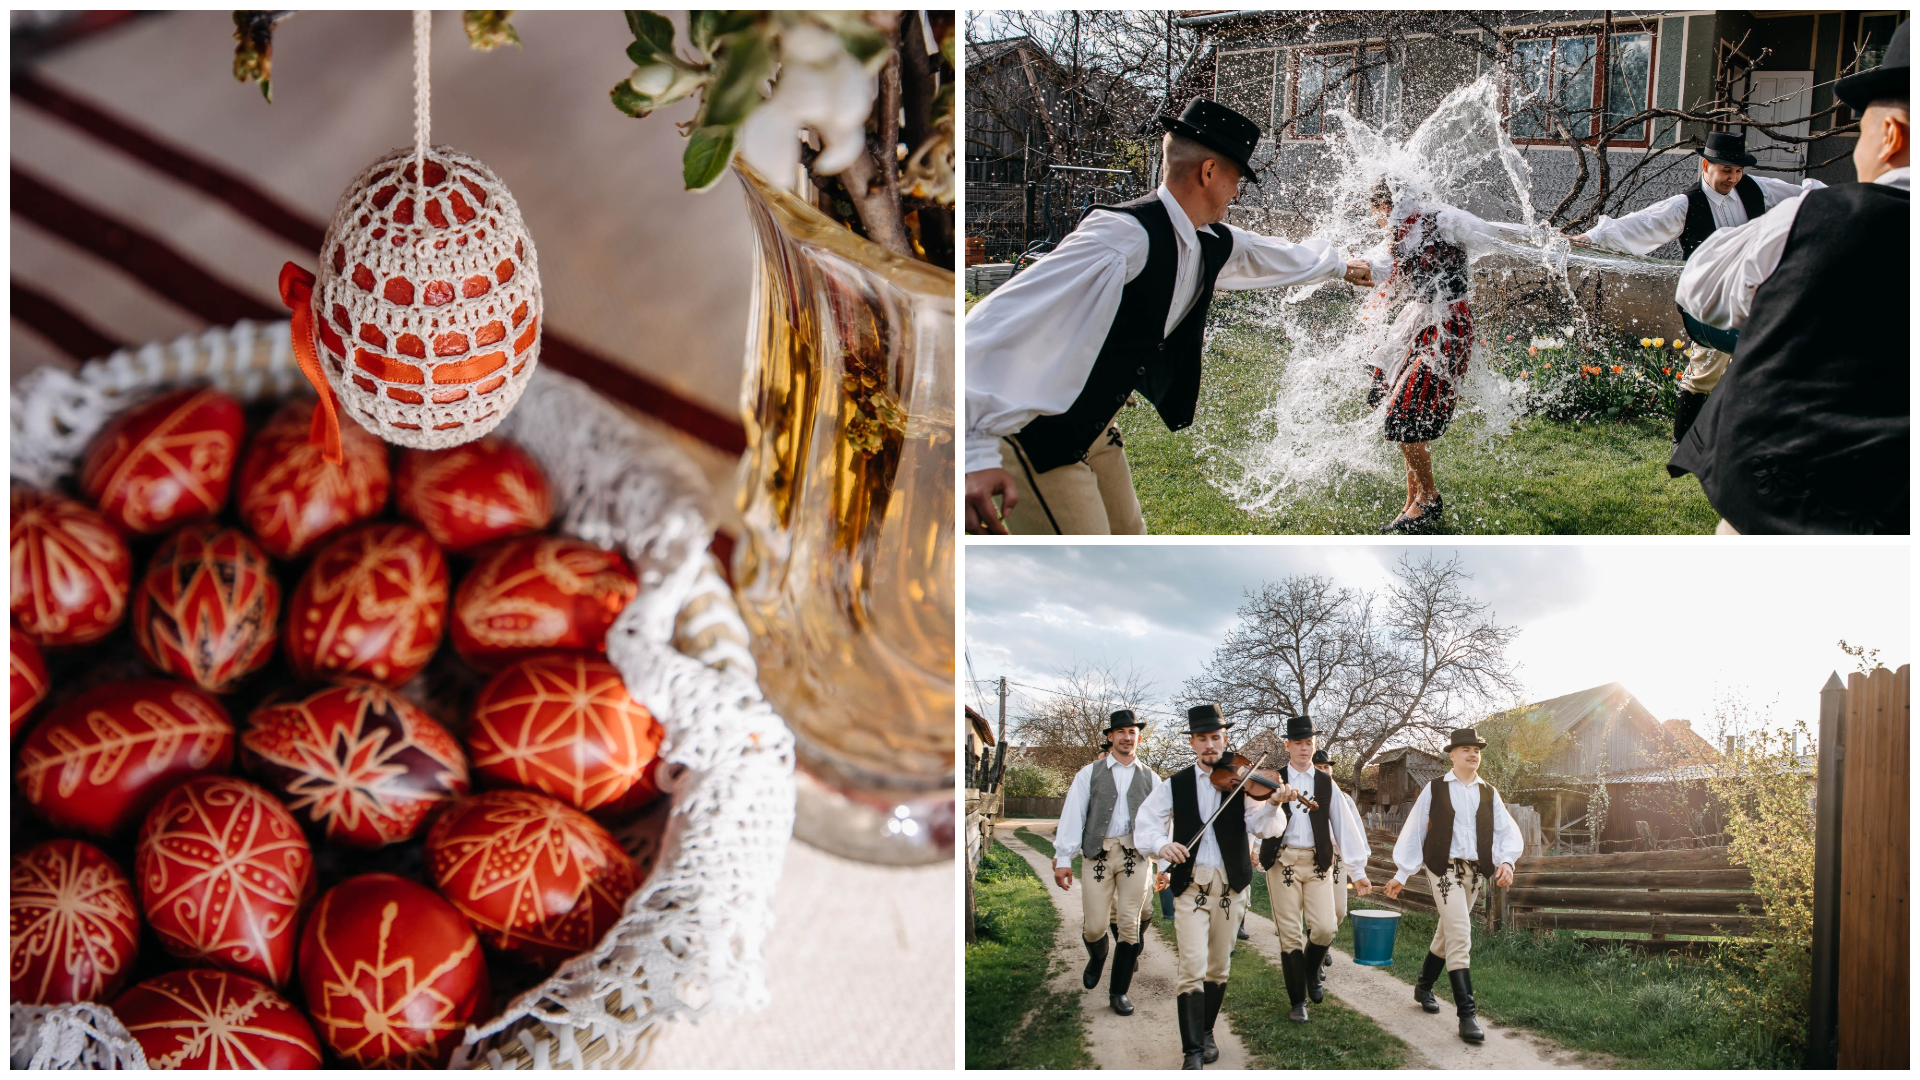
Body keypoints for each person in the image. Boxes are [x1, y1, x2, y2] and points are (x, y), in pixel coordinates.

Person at [965, 97, 1373, 535]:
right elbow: (989, 326)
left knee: (1131, 540)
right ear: (1210, 171)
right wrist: (973, 454)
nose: (1237, 194)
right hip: (1038, 435)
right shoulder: (1121, 237)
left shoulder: (1209, 241)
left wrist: (1342, 267)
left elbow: (1269, 255)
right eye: (1237, 179)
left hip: (1095, 426)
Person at [1667, 23, 1910, 534]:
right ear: (1706, 165)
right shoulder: (1685, 203)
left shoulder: (1806, 216)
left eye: (1860, 130)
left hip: (1779, 492)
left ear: (1889, 137)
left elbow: (1700, 290)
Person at [1572, 132, 1825, 443]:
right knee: (1704, 370)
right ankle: (1684, 441)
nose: (1732, 178)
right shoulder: (1685, 204)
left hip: (1755, 293)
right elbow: (1641, 223)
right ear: (1706, 166)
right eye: (1725, 171)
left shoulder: (1756, 189)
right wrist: (1592, 238)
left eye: (1737, 171)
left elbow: (1806, 195)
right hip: (1712, 300)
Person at [1362, 182, 1530, 533]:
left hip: (1448, 326)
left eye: (1377, 210)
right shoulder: (1397, 237)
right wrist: (1335, 267)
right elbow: (1377, 269)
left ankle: (1428, 499)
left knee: (1403, 414)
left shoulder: (1444, 221)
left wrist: (1547, 238)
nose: (1377, 219)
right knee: (1398, 409)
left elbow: (1492, 233)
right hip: (1418, 321)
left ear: (1387, 205)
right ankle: (1412, 504)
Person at [1133, 704, 1286, 1069]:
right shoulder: (1176, 784)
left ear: (1225, 739)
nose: (1209, 744)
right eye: (1201, 738)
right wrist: (1161, 845)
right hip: (1191, 885)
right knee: (1191, 966)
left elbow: (1265, 827)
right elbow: (1147, 824)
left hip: (1231, 886)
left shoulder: (1244, 782)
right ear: (1192, 742)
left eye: (1215, 737)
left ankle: (1206, 1031)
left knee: (1218, 968)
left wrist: (1274, 805)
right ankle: (1192, 1053)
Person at [1383, 727, 1524, 1044]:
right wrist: (1402, 873)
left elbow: (1506, 831)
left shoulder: (1488, 792)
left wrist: (1506, 862)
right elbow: (1415, 831)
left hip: (1474, 873)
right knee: (1461, 933)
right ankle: (1467, 1015)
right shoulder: (1434, 789)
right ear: (1452, 755)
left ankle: (1423, 986)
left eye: (1477, 750)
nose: (1473, 754)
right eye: (1466, 750)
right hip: (1443, 869)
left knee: (1448, 932)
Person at [1254, 717, 1370, 1023]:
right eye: (1298, 743)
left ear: (1314, 745)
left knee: (1325, 927)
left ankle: (1308, 973)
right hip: (1282, 863)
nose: (1304, 748)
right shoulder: (1272, 779)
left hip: (1318, 862)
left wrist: (1357, 871)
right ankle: (1298, 1002)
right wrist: (1275, 803)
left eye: (1309, 743)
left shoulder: (1325, 783)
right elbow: (1261, 826)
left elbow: (1343, 825)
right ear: (1287, 745)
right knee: (1290, 935)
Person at [1052, 711, 1162, 1016]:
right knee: (1095, 925)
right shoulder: (1089, 773)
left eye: (1133, 732)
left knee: (1129, 925)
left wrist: (1163, 864)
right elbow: (1073, 816)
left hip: (1134, 855)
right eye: (1121, 731)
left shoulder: (1152, 778)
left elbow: (1161, 824)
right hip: (1098, 854)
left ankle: (1119, 992)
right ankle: (1097, 956)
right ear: (1110, 736)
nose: (1127, 737)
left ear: (1139, 737)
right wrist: (1063, 858)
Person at [1312, 749, 1361, 967]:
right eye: (1318, 768)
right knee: (1316, 910)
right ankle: (1317, 957)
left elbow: (1355, 830)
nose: (1323, 771)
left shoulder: (1345, 799)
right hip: (1314, 859)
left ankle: (1323, 945)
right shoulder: (1308, 795)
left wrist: (1358, 864)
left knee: (1339, 910)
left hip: (1338, 860)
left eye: (1326, 767)